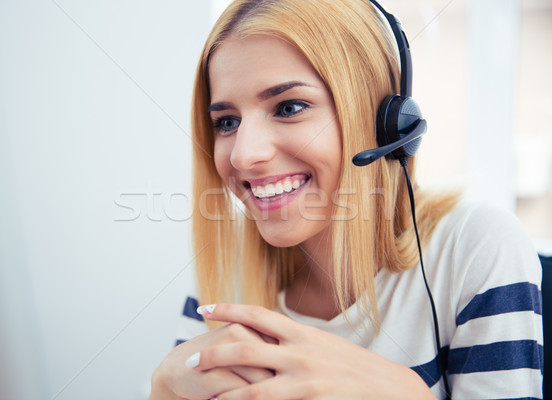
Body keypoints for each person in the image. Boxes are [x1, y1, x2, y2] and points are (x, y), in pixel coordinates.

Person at [150, 0, 543, 399]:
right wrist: (162, 390)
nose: (243, 155)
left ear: (384, 121)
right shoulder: (228, 263)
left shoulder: (474, 247)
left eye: (289, 107)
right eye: (227, 122)